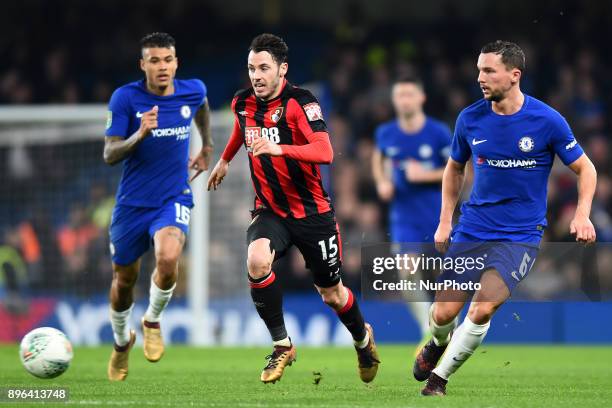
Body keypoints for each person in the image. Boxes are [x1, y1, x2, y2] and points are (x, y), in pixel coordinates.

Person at [414, 40, 597, 396]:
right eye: (479, 70)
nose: (480, 77)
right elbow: (454, 168)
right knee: (441, 315)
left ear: (514, 75)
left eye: (488, 71)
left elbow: (585, 169)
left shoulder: (547, 120)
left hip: (521, 233)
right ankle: (437, 342)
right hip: (474, 227)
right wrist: (445, 221)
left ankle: (440, 380)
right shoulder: (470, 119)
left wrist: (583, 214)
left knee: (483, 308)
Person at [207, 33, 379, 384]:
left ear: (282, 69)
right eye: (251, 68)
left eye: (264, 68)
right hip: (271, 210)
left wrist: (279, 148)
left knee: (332, 294)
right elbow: (243, 129)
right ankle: (282, 345)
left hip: (313, 213)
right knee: (256, 261)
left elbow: (325, 152)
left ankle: (362, 341)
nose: (256, 75)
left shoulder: (302, 102)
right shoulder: (242, 102)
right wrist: (224, 160)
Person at [103, 32, 213, 381]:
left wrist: (207, 144)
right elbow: (109, 154)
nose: (162, 66)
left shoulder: (192, 89)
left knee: (168, 259)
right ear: (143, 65)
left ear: (176, 63)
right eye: (154, 60)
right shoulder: (125, 98)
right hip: (132, 205)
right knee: (124, 281)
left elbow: (203, 104)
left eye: (167, 60)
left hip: (172, 197)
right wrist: (139, 136)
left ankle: (151, 320)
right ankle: (122, 343)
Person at [372, 76, 451, 352]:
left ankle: (445, 327)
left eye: (409, 94)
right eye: (399, 95)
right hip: (404, 216)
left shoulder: (438, 132)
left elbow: (457, 171)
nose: (404, 100)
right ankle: (426, 329)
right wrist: (382, 181)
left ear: (421, 98)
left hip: (438, 214)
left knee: (446, 275)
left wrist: (425, 175)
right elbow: (378, 158)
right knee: (406, 271)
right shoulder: (386, 133)